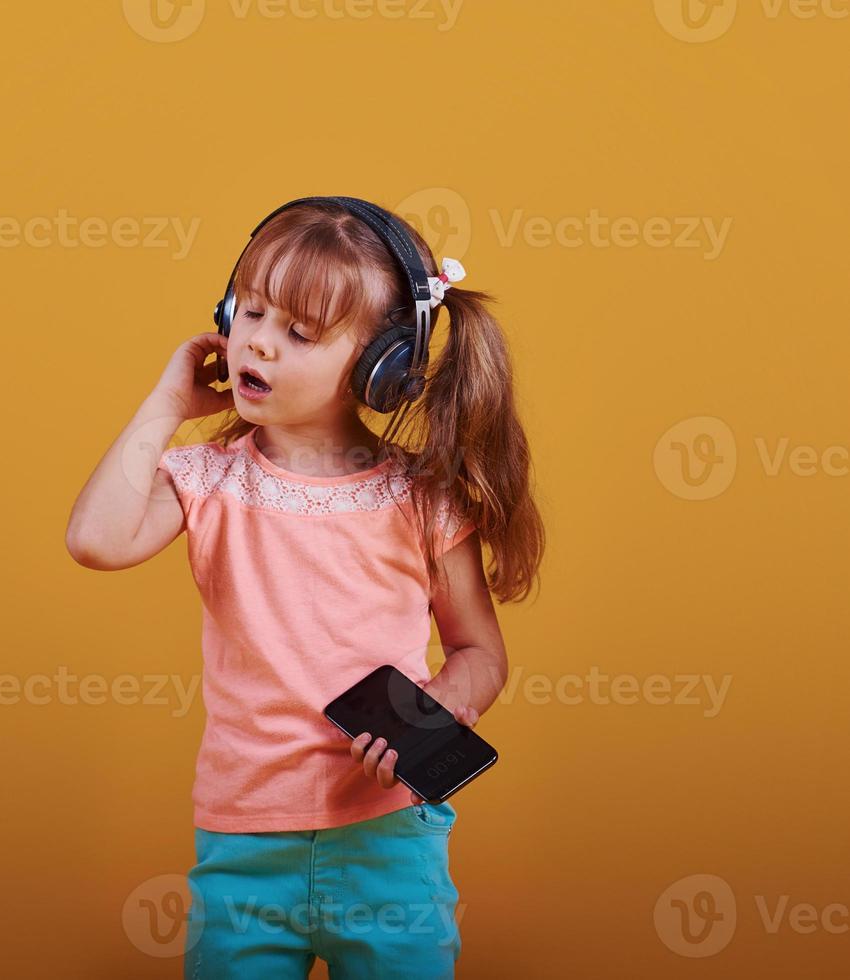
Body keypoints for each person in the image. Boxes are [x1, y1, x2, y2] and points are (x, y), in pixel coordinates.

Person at [65, 199, 545, 978]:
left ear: (380, 365)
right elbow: (95, 540)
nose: (256, 339)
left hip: (388, 840)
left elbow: (478, 651)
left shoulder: (422, 498)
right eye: (250, 310)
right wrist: (166, 406)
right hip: (244, 845)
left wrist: (441, 707)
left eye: (299, 332)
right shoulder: (206, 481)